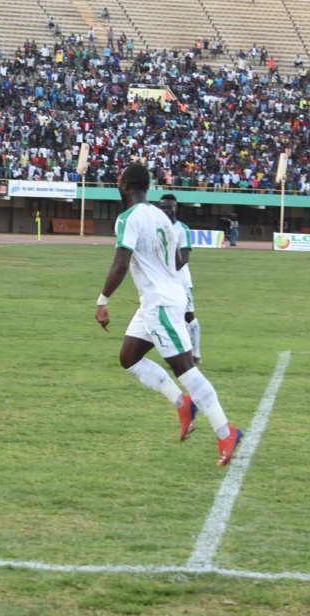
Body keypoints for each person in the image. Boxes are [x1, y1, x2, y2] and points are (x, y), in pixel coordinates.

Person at [94, 164, 242, 466]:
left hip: (160, 302)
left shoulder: (128, 218)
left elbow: (121, 262)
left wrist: (103, 299)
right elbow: (175, 260)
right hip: (156, 299)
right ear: (147, 187)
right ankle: (182, 404)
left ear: (124, 185)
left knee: (185, 369)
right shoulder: (162, 217)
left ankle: (227, 431)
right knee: (129, 358)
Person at [160, 194, 201, 365]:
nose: (166, 210)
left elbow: (184, 258)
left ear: (176, 208)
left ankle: (196, 353)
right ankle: (176, 353)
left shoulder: (182, 229)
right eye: (163, 207)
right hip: (162, 280)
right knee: (166, 316)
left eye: (169, 207)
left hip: (181, 280)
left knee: (188, 315)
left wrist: (167, 272)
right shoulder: (157, 227)